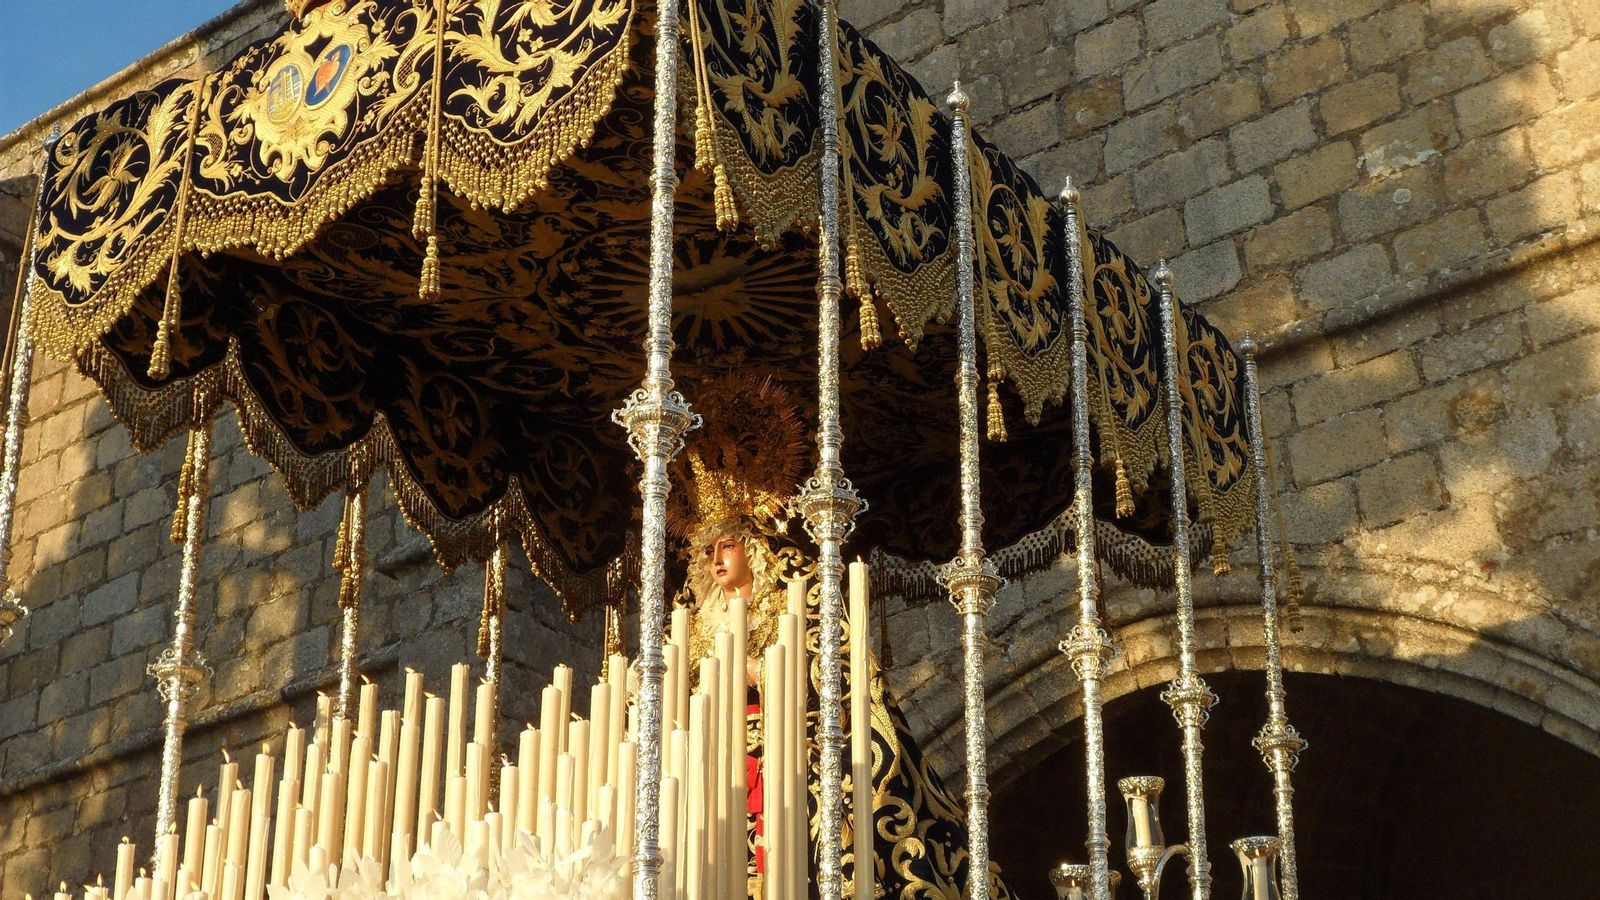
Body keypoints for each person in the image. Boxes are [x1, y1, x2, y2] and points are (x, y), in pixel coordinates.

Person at [670, 374, 1017, 899]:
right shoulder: (696, 612)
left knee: (817, 808)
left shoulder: (797, 587)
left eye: (728, 545)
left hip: (787, 744)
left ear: (753, 545)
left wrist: (765, 673)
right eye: (708, 549)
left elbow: (835, 667)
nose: (716, 558)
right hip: (708, 753)